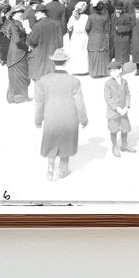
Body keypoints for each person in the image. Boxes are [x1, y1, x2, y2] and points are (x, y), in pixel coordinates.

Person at [34, 48, 88, 181]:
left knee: (51, 142)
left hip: (51, 118)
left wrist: (38, 120)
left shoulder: (43, 80)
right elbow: (79, 102)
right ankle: (63, 170)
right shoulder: (74, 81)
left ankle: (50, 169)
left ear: (53, 62)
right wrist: (83, 119)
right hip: (69, 119)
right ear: (66, 62)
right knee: (66, 143)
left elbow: (39, 102)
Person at [103, 59, 134, 156]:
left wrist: (127, 106)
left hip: (123, 110)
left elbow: (128, 94)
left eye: (115, 70)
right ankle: (114, 147)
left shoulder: (124, 81)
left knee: (125, 128)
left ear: (120, 70)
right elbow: (108, 98)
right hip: (113, 111)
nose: (112, 73)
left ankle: (124, 145)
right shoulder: (108, 83)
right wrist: (117, 108)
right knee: (113, 130)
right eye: (111, 71)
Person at [27, 2, 63, 84]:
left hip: (39, 54)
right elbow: (60, 42)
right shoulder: (56, 24)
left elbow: (32, 41)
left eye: (36, 13)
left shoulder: (37, 26)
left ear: (40, 12)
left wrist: (28, 34)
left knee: (39, 78)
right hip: (52, 54)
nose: (35, 15)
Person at [3, 6, 31, 103]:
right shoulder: (14, 24)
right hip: (17, 52)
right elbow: (17, 41)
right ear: (13, 14)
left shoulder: (20, 22)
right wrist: (27, 48)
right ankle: (18, 97)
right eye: (18, 12)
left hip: (19, 51)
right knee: (19, 75)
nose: (20, 14)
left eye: (21, 12)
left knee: (22, 75)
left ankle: (20, 96)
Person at [85, 0, 111, 78]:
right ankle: (102, 72)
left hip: (93, 37)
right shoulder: (105, 17)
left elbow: (87, 28)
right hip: (101, 37)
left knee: (93, 55)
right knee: (101, 55)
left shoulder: (90, 17)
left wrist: (90, 33)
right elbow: (107, 29)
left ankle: (93, 73)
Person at [66, 0, 90, 75]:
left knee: (75, 52)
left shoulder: (73, 17)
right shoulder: (87, 17)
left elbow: (69, 27)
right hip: (84, 36)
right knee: (84, 52)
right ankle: (84, 69)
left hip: (75, 36)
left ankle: (75, 69)